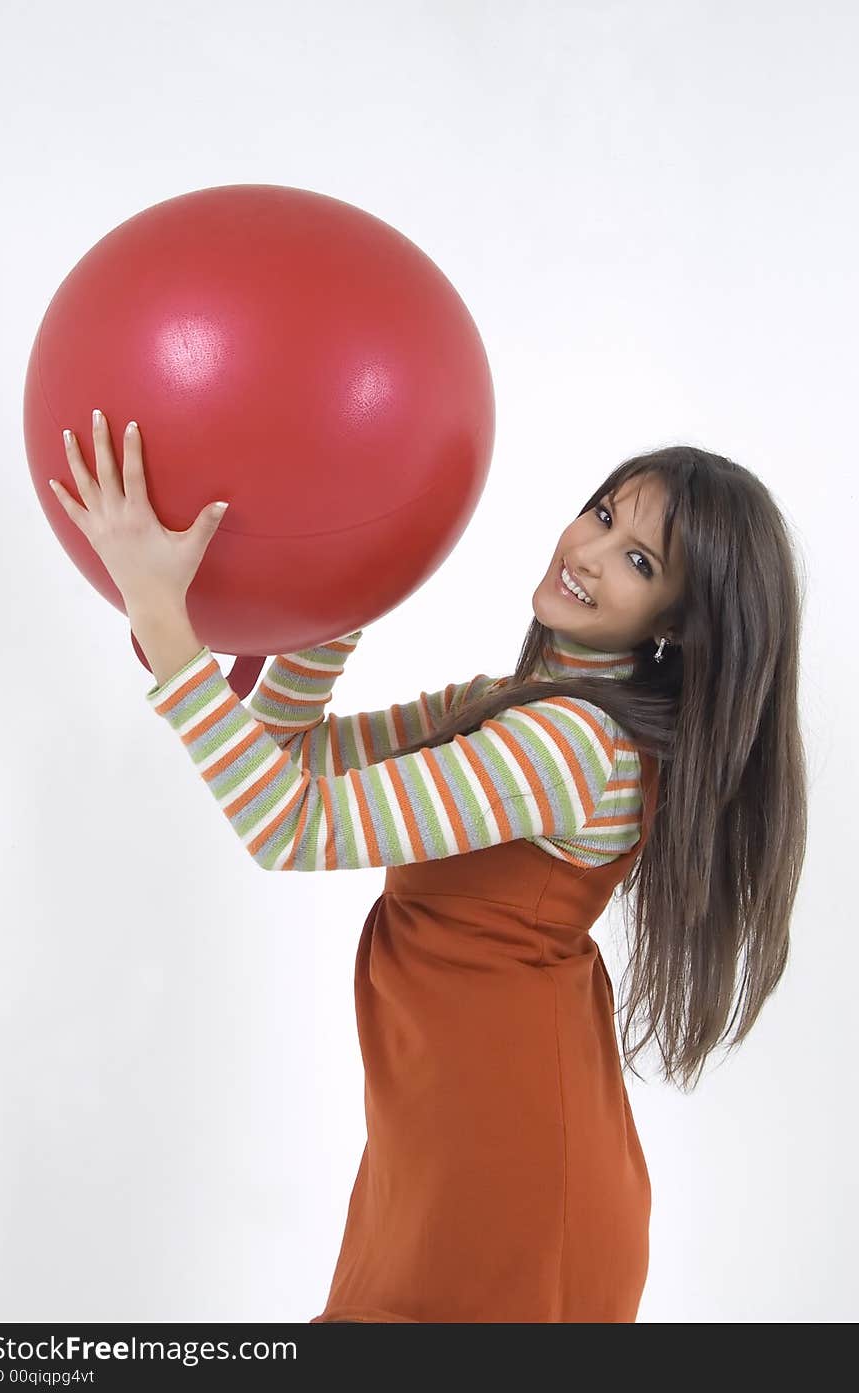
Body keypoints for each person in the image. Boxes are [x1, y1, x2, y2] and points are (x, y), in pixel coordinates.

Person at [53, 421, 809, 1321]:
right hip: (436, 1151)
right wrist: (352, 575)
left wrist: (160, 614)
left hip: (507, 1180)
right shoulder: (506, 708)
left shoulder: (565, 747)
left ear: (676, 626)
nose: (590, 553)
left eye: (639, 561)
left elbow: (290, 825)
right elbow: (291, 753)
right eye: (602, 515)